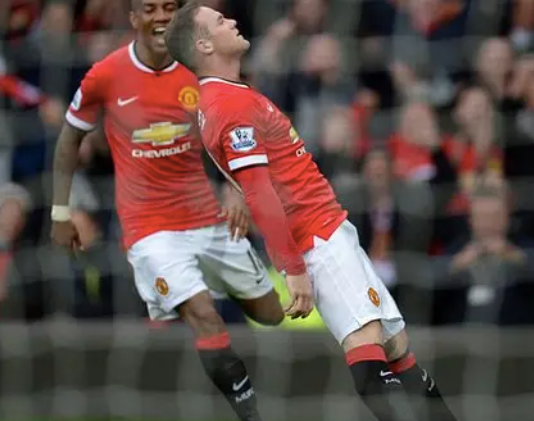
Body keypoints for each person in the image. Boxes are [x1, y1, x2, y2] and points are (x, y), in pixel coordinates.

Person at [163, 3, 459, 421]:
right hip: (317, 240)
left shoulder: (231, 95)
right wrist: (293, 267)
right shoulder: (227, 105)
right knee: (368, 357)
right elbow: (259, 191)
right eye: (219, 21)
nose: (232, 21)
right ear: (204, 44)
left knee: (397, 351)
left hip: (331, 231)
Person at [50, 1, 283, 420]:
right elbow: (69, 139)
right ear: (134, 19)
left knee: (271, 314)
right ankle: (251, 413)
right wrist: (59, 212)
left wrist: (235, 190)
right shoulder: (106, 74)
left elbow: (236, 129)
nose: (160, 17)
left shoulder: (199, 68)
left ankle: (207, 300)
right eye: (150, 9)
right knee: (204, 314)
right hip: (149, 229)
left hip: (207, 218)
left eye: (169, 8)